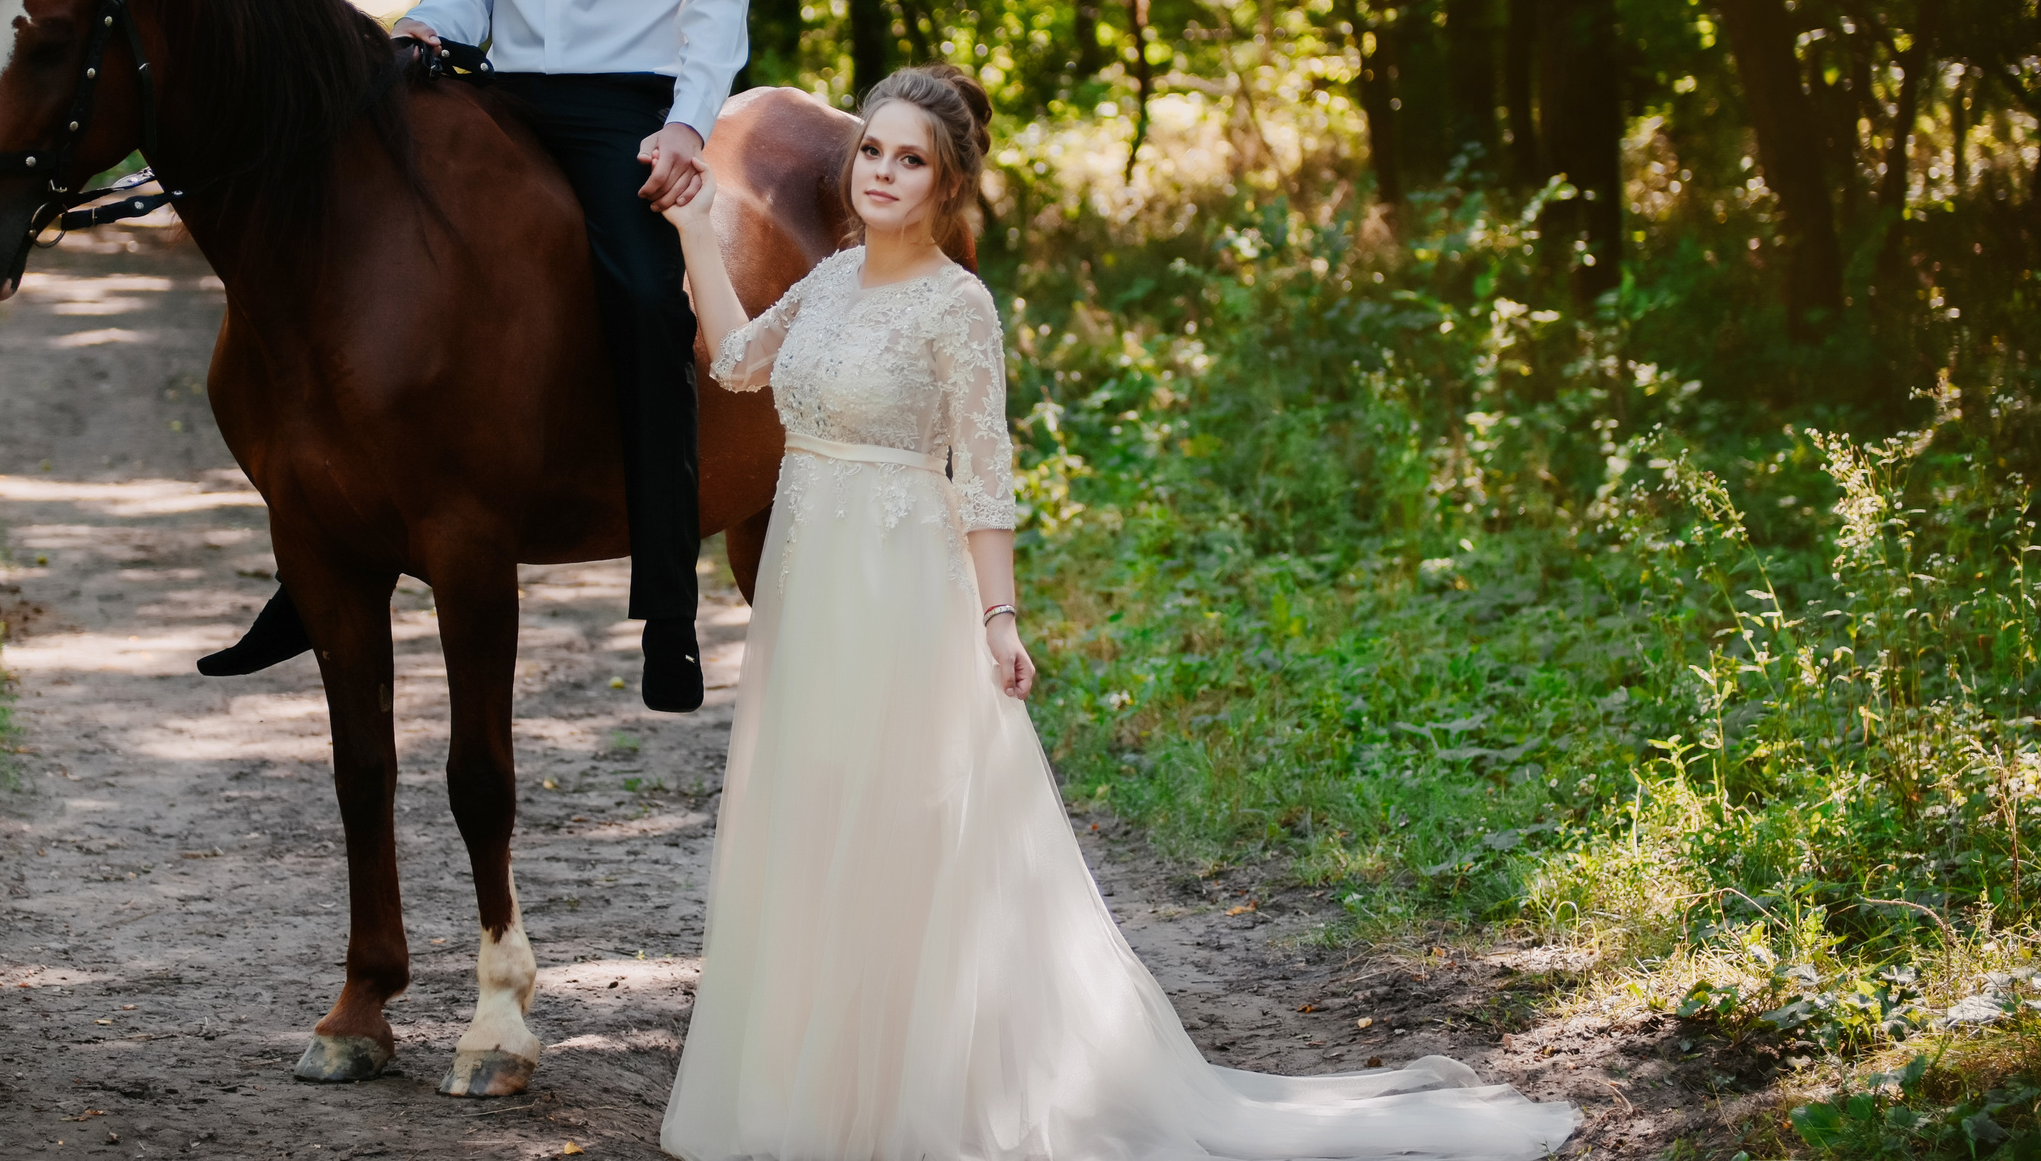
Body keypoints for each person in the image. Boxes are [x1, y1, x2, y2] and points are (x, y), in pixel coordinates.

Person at [655, 64, 1580, 1161]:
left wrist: (999, 618)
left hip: (899, 593)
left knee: (901, 825)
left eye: (911, 160)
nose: (884, 174)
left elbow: (984, 478)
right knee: (811, 814)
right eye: (873, 152)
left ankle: (923, 1091)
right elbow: (736, 363)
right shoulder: (828, 280)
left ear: (947, 184)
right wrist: (696, 230)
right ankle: (808, 1090)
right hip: (808, 596)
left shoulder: (958, 306)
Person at [200, 0, 751, 706]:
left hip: (626, 105)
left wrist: (688, 122)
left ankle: (667, 602)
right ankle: (313, 555)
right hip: (494, 90)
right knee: (344, 251)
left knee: (649, 299)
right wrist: (421, 27)